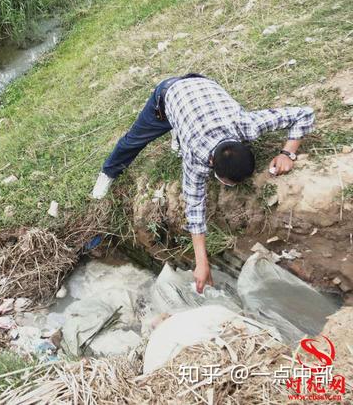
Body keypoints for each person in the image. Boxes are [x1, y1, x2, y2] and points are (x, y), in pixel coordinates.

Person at [91, 74, 314, 293]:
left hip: (204, 85)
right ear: (210, 163)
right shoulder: (196, 159)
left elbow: (304, 114)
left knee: (181, 132)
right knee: (134, 140)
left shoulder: (247, 124)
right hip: (169, 93)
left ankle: (178, 131)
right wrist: (202, 262)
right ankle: (108, 173)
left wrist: (288, 153)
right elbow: (194, 208)